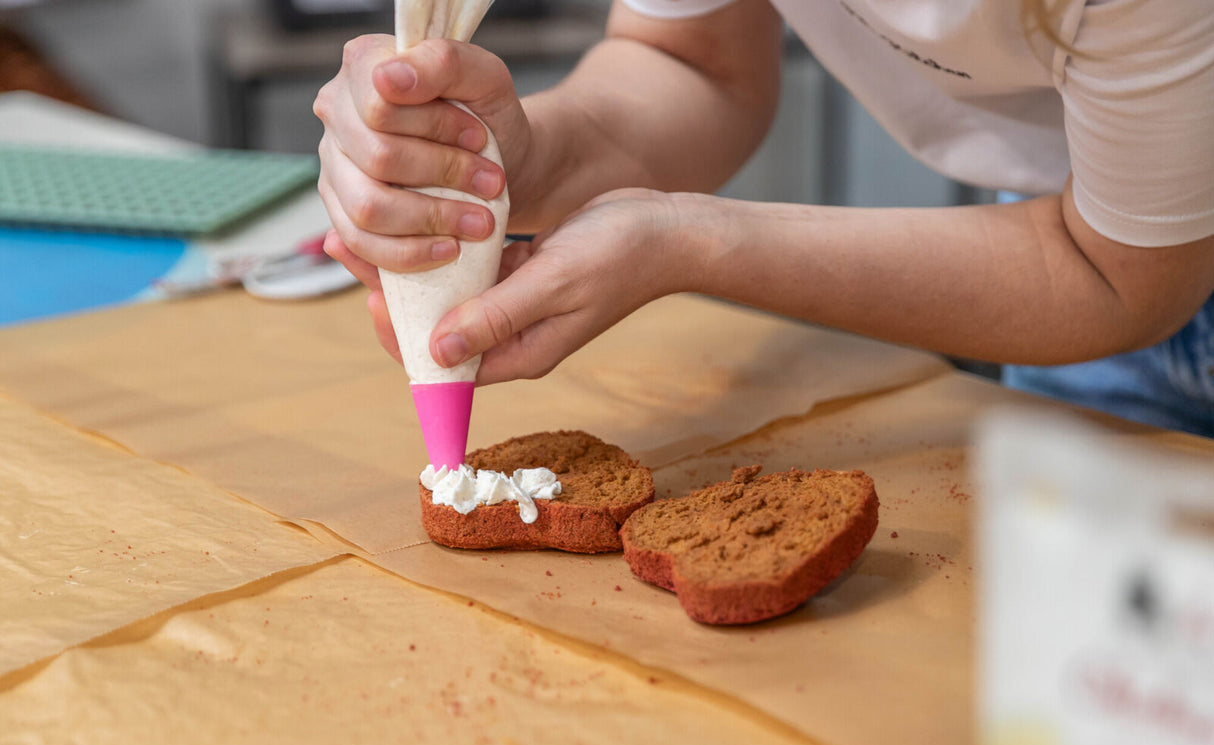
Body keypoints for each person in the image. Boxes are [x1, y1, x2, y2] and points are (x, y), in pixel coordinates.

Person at [313, 0, 1214, 437]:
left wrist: (690, 240)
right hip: (1086, 247)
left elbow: (1112, 276)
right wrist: (522, 155)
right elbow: (695, 63)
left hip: (1114, 266)